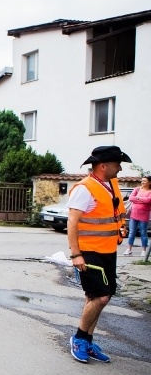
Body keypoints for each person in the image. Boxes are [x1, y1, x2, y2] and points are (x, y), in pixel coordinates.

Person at [67, 145, 131, 363]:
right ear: (103, 165)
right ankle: (79, 338)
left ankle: (88, 340)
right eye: (117, 163)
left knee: (96, 296)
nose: (120, 168)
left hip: (107, 250)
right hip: (88, 251)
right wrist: (76, 255)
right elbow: (72, 223)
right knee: (101, 297)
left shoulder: (111, 185)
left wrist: (121, 227)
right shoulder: (85, 188)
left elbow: (112, 213)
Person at [124, 175, 151, 257]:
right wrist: (141, 199)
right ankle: (129, 249)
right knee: (131, 232)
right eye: (142, 181)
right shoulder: (137, 189)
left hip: (144, 215)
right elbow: (131, 198)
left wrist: (138, 198)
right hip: (134, 214)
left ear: (150, 182)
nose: (142, 182)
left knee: (143, 233)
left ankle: (144, 250)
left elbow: (149, 200)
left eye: (144, 181)